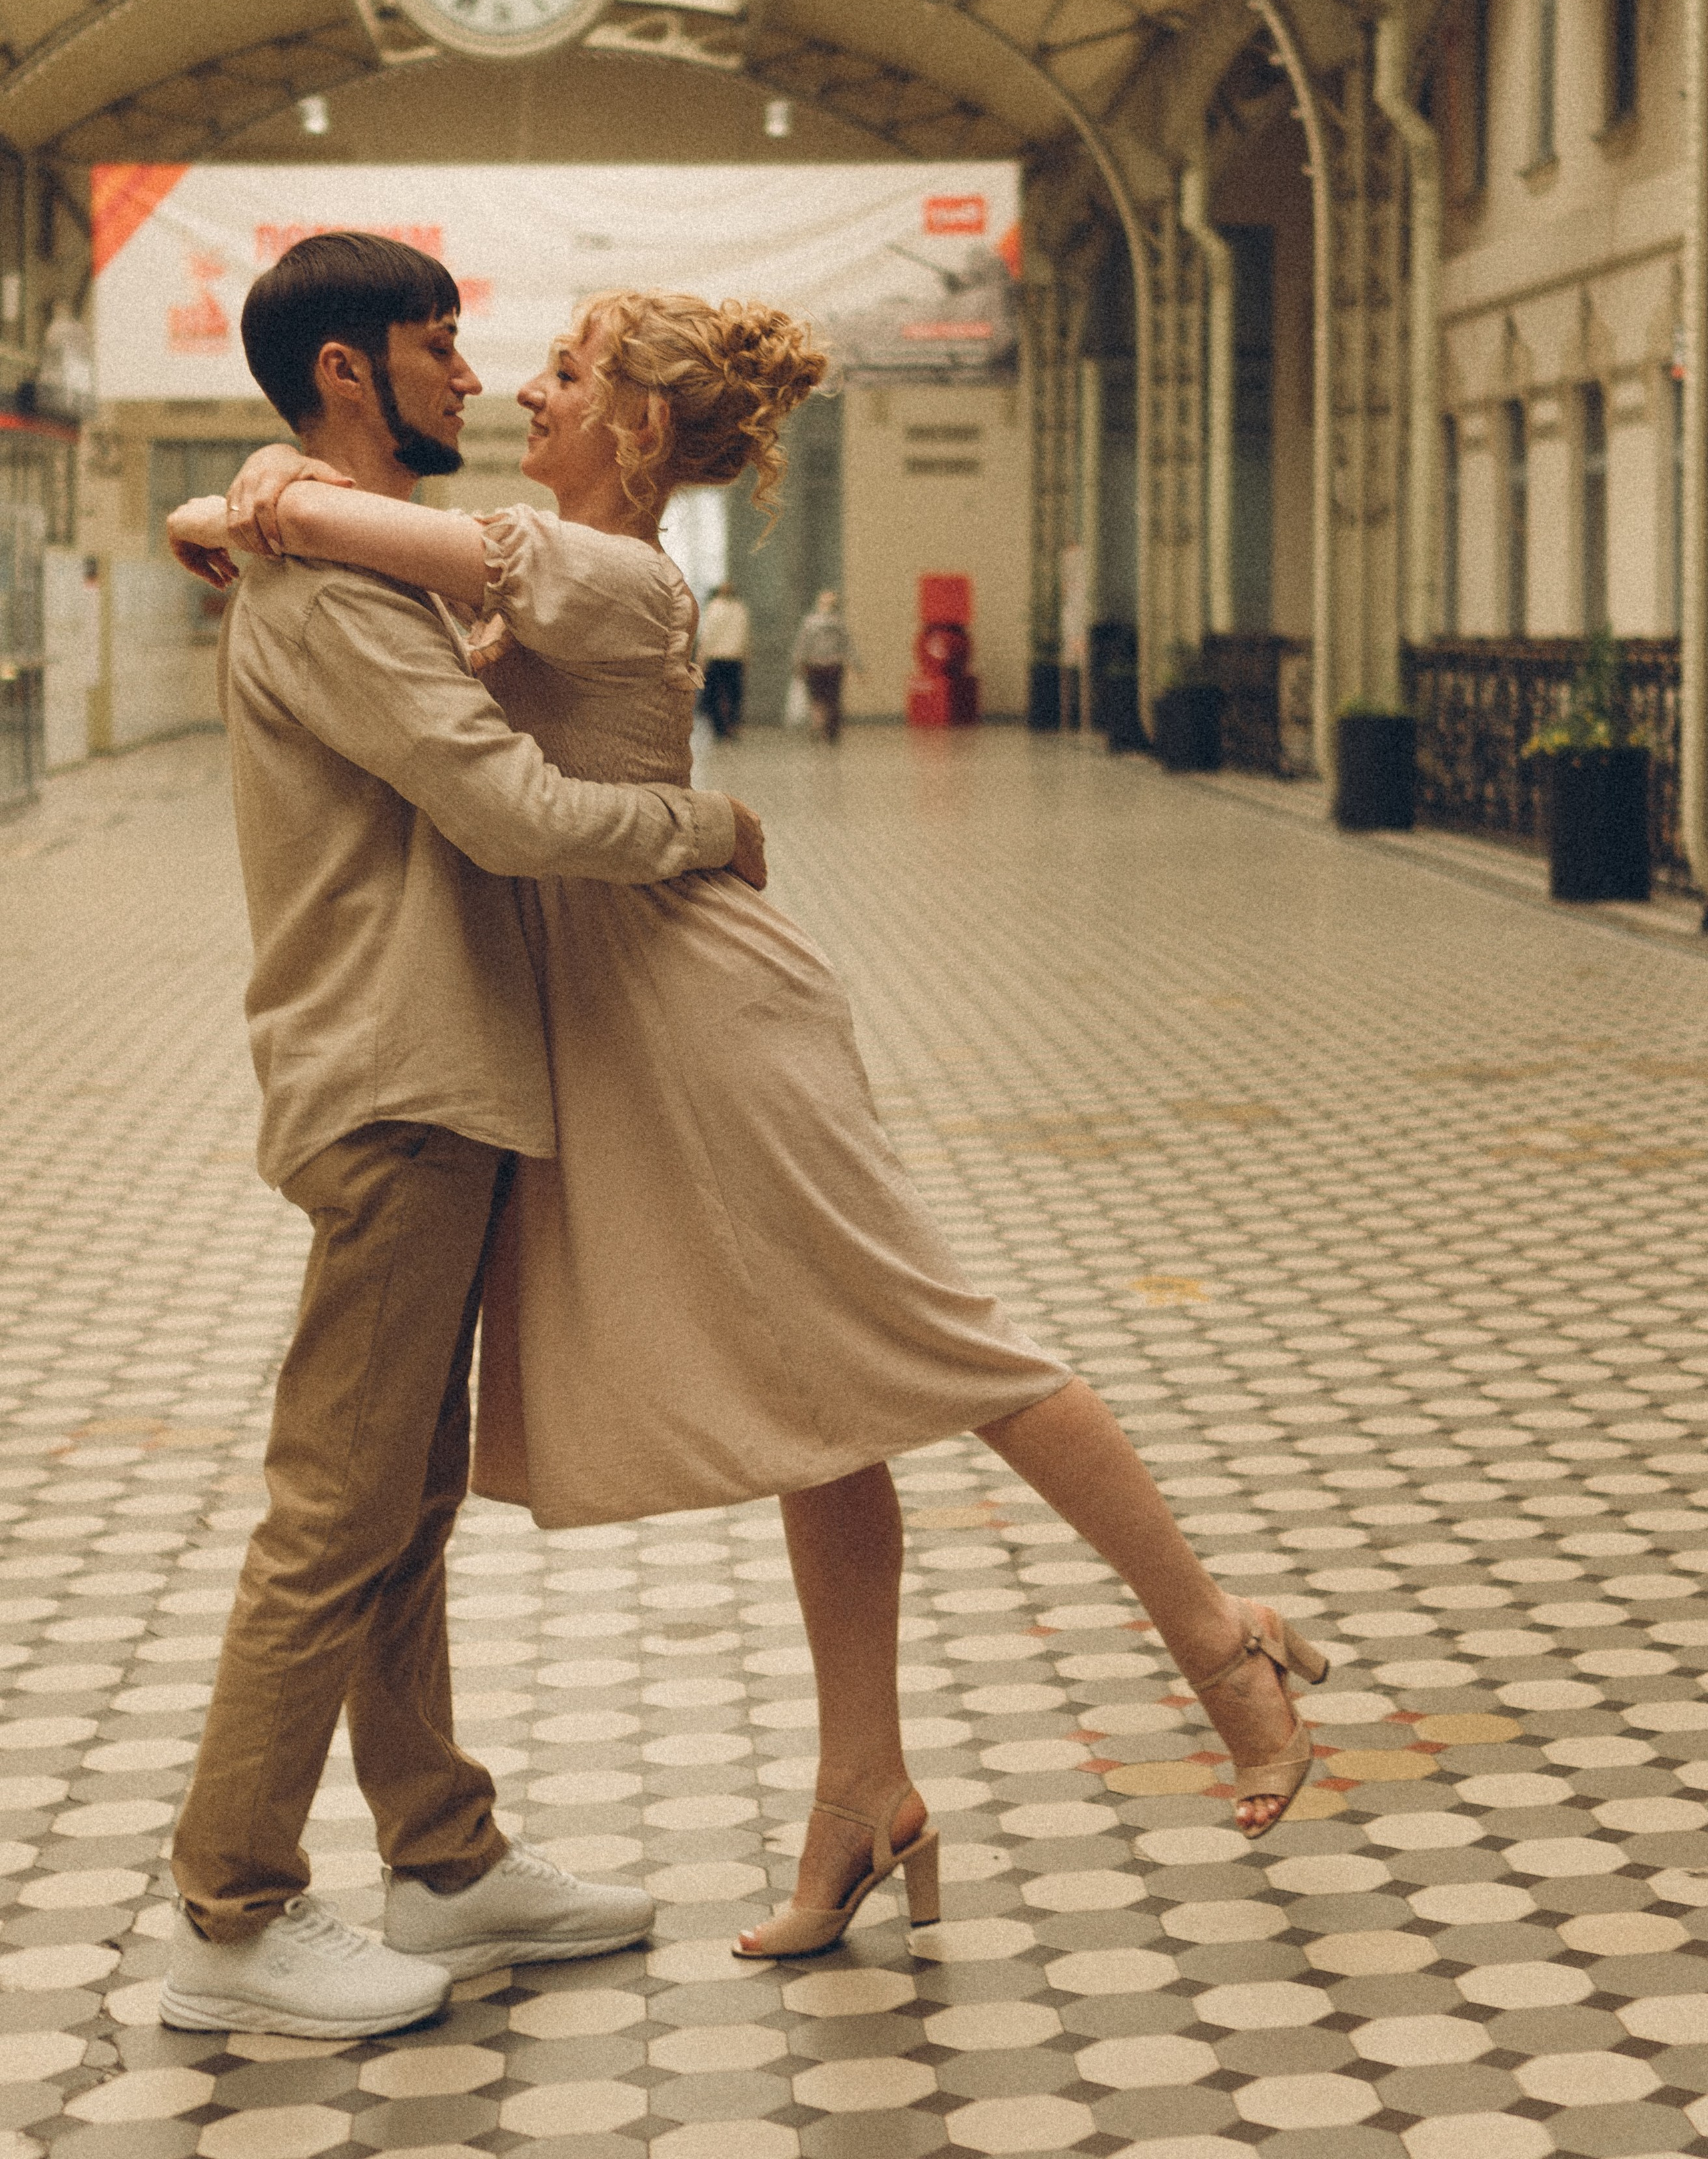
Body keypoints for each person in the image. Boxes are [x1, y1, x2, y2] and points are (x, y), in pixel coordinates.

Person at [173, 286, 1332, 1972]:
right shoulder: (541, 560)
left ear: (636, 429)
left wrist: (260, 497)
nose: (523, 392)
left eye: (565, 377)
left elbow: (344, 534)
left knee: (940, 1343)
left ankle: (1219, 1642)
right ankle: (859, 1787)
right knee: (816, 1399)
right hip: (637, 1023)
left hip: (710, 1018)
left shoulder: (608, 567)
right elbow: (303, 527)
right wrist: (236, 500)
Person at [159, 238, 765, 2040]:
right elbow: (504, 808)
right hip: (396, 1078)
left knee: (400, 1507)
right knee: (336, 1511)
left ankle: (441, 1856)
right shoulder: (336, 592)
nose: (472, 376)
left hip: (437, 1073)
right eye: (435, 348)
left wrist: (254, 493)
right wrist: (704, 827)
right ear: (351, 373)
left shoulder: (341, 556)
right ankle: (230, 1912)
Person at [791, 586, 859, 740]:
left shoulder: (837, 623)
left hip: (832, 666)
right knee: (818, 698)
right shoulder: (811, 623)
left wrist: (857, 665)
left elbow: (847, 645)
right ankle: (818, 726)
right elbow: (802, 643)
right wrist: (798, 662)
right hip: (816, 665)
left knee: (831, 699)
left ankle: (830, 730)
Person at [696, 579, 749, 739]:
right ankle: (731, 726)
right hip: (734, 657)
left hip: (716, 657)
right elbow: (745, 636)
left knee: (714, 694)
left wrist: (701, 658)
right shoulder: (740, 609)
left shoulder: (713, 608)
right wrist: (746, 656)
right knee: (733, 694)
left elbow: (707, 635)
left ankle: (719, 727)